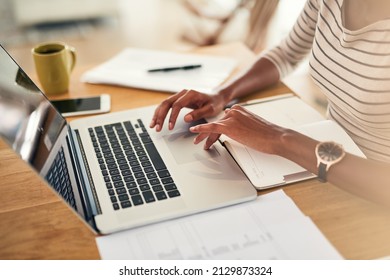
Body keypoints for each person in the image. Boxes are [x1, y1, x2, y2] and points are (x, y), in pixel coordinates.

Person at [150, 0, 390, 207]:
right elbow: (287, 52)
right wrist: (222, 95)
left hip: (371, 189)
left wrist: (281, 140)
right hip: (324, 162)